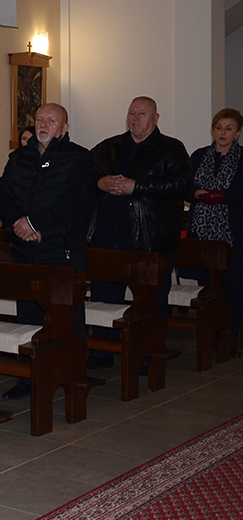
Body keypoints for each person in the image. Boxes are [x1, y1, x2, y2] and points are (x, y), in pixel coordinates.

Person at [0, 103, 96, 397]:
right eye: (40, 119)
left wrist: (34, 223)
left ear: (65, 128)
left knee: (67, 320)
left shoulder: (79, 158)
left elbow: (75, 202)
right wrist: (18, 223)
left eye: (51, 120)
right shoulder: (20, 157)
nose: (44, 125)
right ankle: (29, 379)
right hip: (25, 251)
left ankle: (73, 377)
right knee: (29, 319)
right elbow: (1, 193)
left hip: (62, 253)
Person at [88, 96, 192, 368]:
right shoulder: (109, 147)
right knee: (104, 296)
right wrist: (100, 182)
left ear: (155, 118)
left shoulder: (171, 148)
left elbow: (183, 185)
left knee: (150, 300)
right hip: (109, 237)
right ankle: (101, 353)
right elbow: (82, 176)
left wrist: (138, 187)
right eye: (132, 113)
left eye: (142, 113)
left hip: (151, 239)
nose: (135, 118)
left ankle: (148, 356)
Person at [185, 109, 243, 340]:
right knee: (206, 285)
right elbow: (185, 186)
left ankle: (231, 333)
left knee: (232, 285)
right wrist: (197, 193)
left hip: (233, 232)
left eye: (229, 129)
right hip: (202, 231)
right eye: (219, 128)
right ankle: (208, 333)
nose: (223, 133)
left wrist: (223, 196)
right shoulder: (199, 155)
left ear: (237, 133)